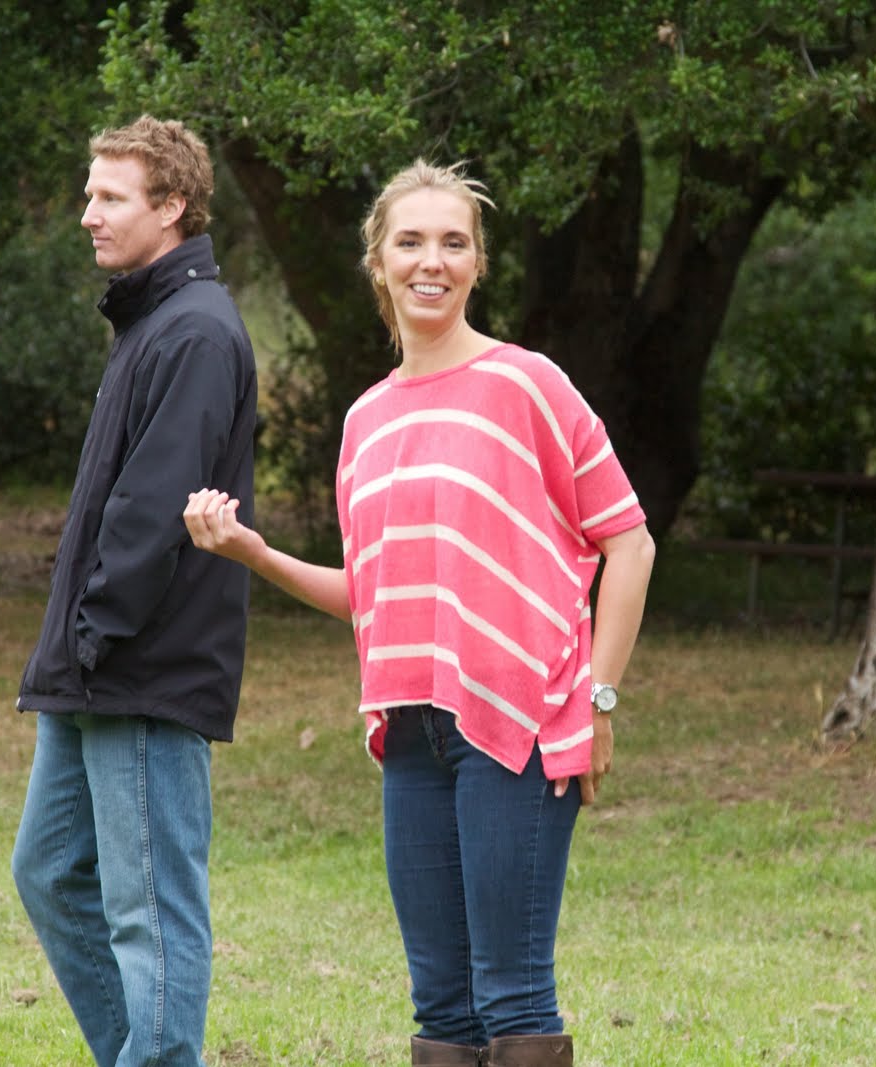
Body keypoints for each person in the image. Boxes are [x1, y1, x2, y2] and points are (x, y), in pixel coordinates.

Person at [184, 161, 655, 1067]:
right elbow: (375, 594)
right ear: (379, 262)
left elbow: (629, 542)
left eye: (453, 243)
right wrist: (254, 553)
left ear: (477, 265)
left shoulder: (528, 385)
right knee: (441, 1005)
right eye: (410, 242)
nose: (431, 261)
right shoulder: (365, 421)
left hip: (517, 727)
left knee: (512, 993)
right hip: (408, 732)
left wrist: (599, 700)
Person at [11, 117, 257, 1067]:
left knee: (151, 908)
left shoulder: (195, 331)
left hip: (141, 667)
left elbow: (155, 511)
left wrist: (94, 633)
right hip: (93, 667)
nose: (88, 214)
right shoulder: (152, 321)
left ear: (173, 206)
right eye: (90, 194)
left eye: (110, 196)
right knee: (49, 871)